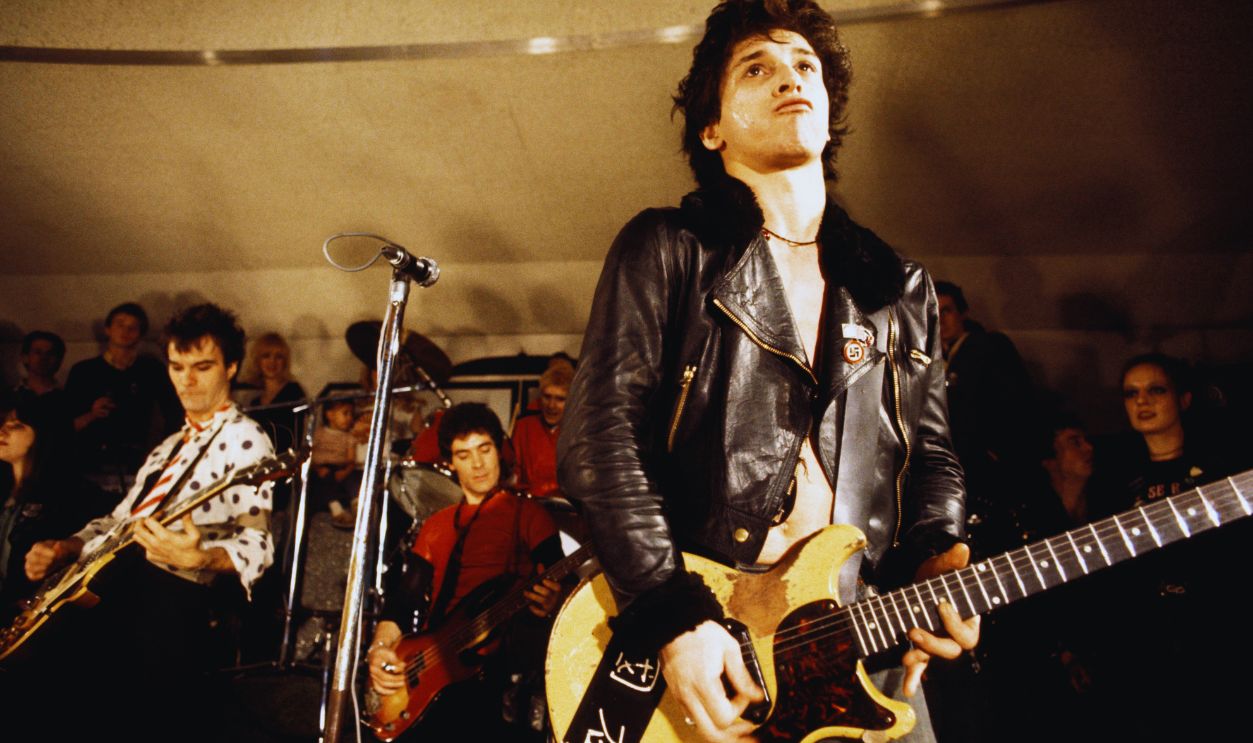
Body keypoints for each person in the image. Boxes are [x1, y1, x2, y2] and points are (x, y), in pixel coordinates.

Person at [557, 3, 976, 741]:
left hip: (860, 644)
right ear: (710, 128)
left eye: (804, 65)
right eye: (758, 67)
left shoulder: (895, 285)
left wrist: (933, 560)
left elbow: (931, 452)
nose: (789, 76)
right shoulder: (670, 248)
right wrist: (672, 617)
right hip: (712, 640)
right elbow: (600, 440)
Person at [15, 303, 276, 738]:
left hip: (175, 596)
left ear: (231, 367)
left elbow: (259, 545)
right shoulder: (168, 446)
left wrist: (202, 557)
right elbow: (118, 522)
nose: (186, 381)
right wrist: (67, 547)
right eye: (177, 367)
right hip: (119, 582)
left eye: (203, 366)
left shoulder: (245, 439)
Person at [367, 403, 565, 741]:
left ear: (498, 451)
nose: (477, 464)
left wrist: (554, 602)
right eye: (464, 454)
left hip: (500, 666)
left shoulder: (530, 515)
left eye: (484, 450)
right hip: (436, 665)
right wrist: (381, 646)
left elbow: (564, 583)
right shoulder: (436, 525)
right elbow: (404, 597)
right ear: (450, 462)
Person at [0, 395, 100, 622]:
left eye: (17, 425)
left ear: (43, 432)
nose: (3, 431)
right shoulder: (4, 489)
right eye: (4, 423)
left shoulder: (67, 496)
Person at [64, 302, 182, 487]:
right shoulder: (84, 371)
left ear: (140, 334)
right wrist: (92, 414)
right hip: (89, 462)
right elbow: (65, 424)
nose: (125, 331)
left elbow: (174, 413)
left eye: (133, 327)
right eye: (120, 324)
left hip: (135, 461)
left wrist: (162, 452)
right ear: (107, 329)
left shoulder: (151, 370)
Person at [511, 358, 574, 498]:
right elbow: (513, 473)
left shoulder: (580, 430)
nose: (551, 405)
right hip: (530, 506)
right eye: (547, 397)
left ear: (571, 401)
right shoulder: (523, 427)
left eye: (560, 399)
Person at [243, 331, 307, 456]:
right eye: (266, 356)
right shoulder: (254, 402)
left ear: (285, 362)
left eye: (279, 357)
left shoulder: (294, 391)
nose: (272, 362)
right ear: (258, 361)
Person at [310, 398, 361, 528]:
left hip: (342, 467)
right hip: (322, 467)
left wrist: (346, 471)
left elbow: (351, 460)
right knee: (322, 481)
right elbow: (309, 455)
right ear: (330, 415)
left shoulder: (349, 437)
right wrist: (316, 468)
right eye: (345, 413)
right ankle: (337, 509)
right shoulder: (319, 433)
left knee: (355, 477)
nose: (349, 418)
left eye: (351, 414)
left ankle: (357, 505)